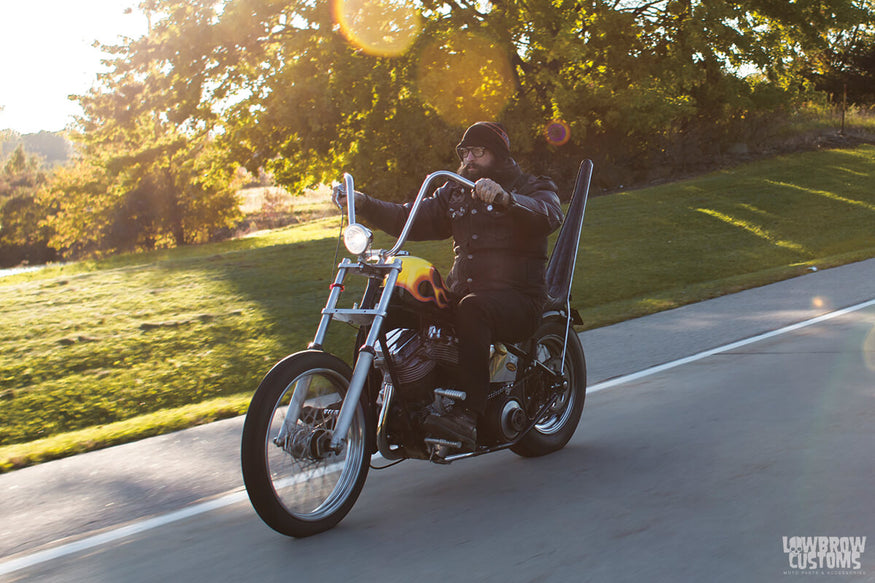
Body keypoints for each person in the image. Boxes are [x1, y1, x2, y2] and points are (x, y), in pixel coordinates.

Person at [334, 121, 563, 449]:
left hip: (517, 299)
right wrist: (364, 202)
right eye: (464, 152)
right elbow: (407, 217)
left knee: (473, 308)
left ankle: (468, 415)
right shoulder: (456, 190)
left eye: (477, 151)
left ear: (497, 154)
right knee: (394, 304)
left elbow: (549, 214)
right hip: (465, 294)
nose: (468, 158)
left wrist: (506, 199)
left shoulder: (531, 185)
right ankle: (364, 406)